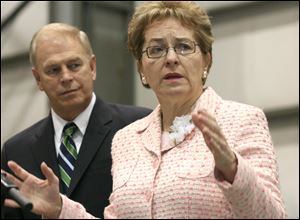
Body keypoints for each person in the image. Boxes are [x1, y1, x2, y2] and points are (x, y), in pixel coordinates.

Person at [2, 2, 287, 219]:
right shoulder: (127, 139)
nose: (171, 58)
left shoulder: (241, 120)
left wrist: (234, 170)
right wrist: (61, 208)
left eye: (184, 47)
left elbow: (272, 215)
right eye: (156, 50)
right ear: (141, 68)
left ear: (206, 61)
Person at [1, 23, 151, 219]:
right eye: (53, 70)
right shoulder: (16, 151)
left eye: (74, 65)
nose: (66, 77)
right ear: (38, 79)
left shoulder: (138, 125)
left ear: (92, 67)